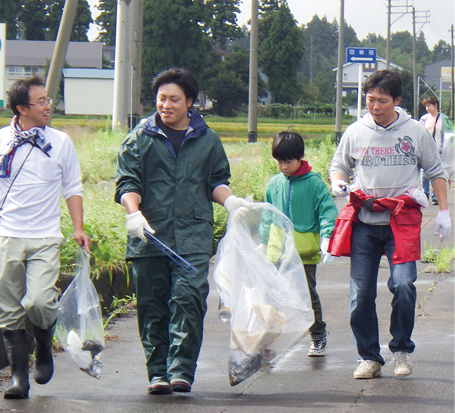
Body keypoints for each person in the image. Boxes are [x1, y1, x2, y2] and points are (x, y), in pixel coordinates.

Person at [115, 68, 250, 395]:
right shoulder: (139, 138)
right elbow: (127, 182)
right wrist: (133, 213)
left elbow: (217, 180)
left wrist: (230, 202)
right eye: (162, 99)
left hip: (193, 235)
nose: (166, 105)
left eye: (174, 99)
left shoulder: (207, 140)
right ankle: (157, 372)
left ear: (190, 102)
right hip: (149, 236)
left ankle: (181, 370)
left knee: (189, 299)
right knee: (152, 305)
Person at [329, 69, 451, 380]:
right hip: (366, 223)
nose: (375, 106)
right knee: (360, 295)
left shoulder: (414, 132)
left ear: (397, 100)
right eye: (370, 100)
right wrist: (339, 183)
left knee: (405, 285)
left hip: (401, 222)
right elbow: (339, 166)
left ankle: (401, 348)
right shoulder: (356, 131)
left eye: (382, 101)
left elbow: (436, 171)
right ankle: (369, 356)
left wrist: (444, 211)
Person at [0, 76, 91, 399]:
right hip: (6, 235)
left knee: (39, 301)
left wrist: (78, 227)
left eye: (48, 99)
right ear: (22, 108)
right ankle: (19, 378)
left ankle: (43, 346)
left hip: (45, 236)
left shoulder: (60, 142)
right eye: (41, 102)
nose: (48, 106)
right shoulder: (2, 141)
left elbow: (72, 187)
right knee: (8, 307)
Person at [263, 131, 338, 356]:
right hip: (277, 251)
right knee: (271, 295)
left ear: (300, 158)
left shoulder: (314, 183)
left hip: (304, 252)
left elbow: (327, 211)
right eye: (279, 161)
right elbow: (268, 216)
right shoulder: (274, 184)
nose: (284, 166)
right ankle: (268, 337)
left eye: (288, 161)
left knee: (306, 294)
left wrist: (327, 236)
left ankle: (317, 335)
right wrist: (262, 242)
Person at [419, 96, 454, 205]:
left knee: (438, 173)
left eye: (429, 105)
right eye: (426, 106)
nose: (427, 108)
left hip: (439, 150)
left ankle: (435, 196)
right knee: (424, 173)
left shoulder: (444, 119)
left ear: (435, 105)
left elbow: (450, 133)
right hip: (426, 150)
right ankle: (425, 193)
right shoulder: (424, 119)